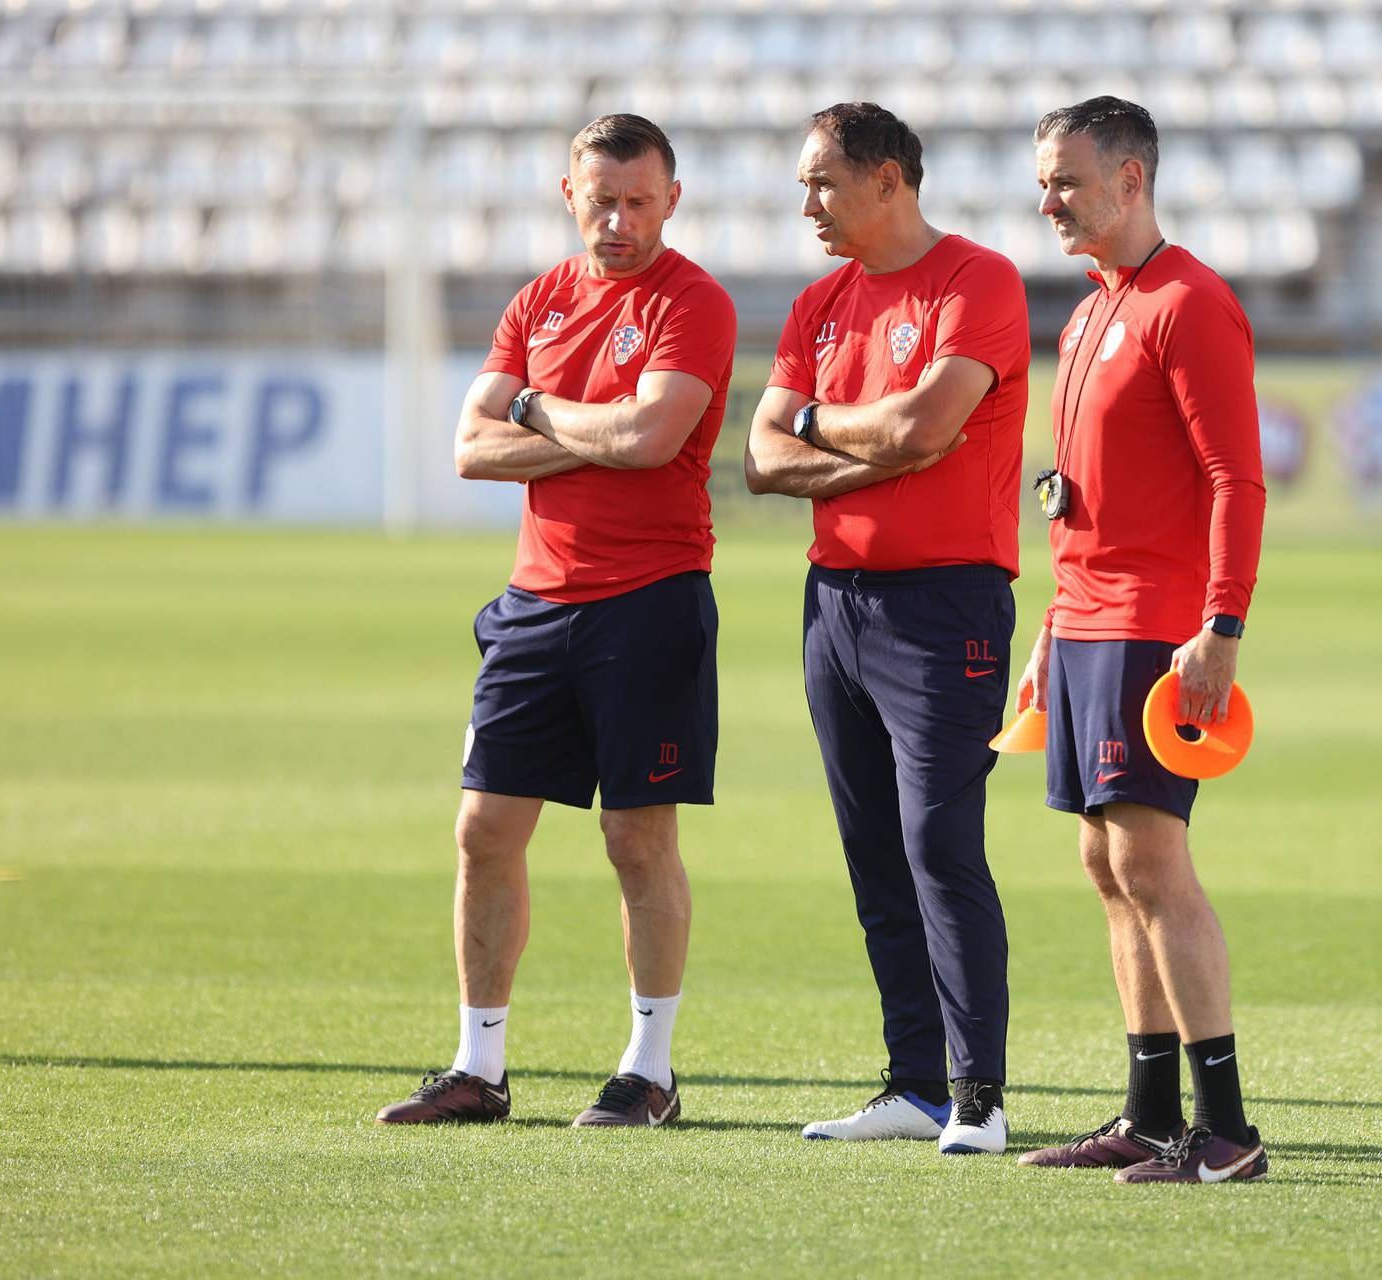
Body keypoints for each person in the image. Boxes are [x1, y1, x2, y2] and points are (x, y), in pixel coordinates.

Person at [376, 114, 736, 1129]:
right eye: (600, 199)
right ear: (565, 192)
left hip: (649, 599)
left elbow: (651, 432)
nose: (617, 220)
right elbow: (468, 446)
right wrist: (590, 428)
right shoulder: (539, 297)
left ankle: (649, 1070)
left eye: (637, 200)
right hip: (535, 601)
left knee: (636, 837)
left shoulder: (692, 301)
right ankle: (478, 1066)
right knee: (483, 828)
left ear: (672, 198)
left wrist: (536, 410)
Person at [743, 102, 1029, 1156]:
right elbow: (762, 459)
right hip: (834, 606)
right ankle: (913, 1082)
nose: (807, 203)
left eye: (822, 181)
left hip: (945, 602)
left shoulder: (977, 281)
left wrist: (820, 423)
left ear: (890, 180)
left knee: (938, 842)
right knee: (872, 853)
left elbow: (925, 424)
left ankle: (979, 1094)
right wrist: (865, 445)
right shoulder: (819, 302)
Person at [1014, 97, 1270, 1184]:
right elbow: (1082, 500)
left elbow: (1234, 479)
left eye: (1068, 180)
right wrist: (1050, 628)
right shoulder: (1087, 314)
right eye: (1043, 180)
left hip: (1156, 626)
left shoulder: (1190, 303)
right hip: (1086, 622)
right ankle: (1147, 1112)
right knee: (1104, 860)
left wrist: (1221, 623)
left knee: (1150, 857)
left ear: (1130, 179)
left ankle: (1227, 1131)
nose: (1049, 199)